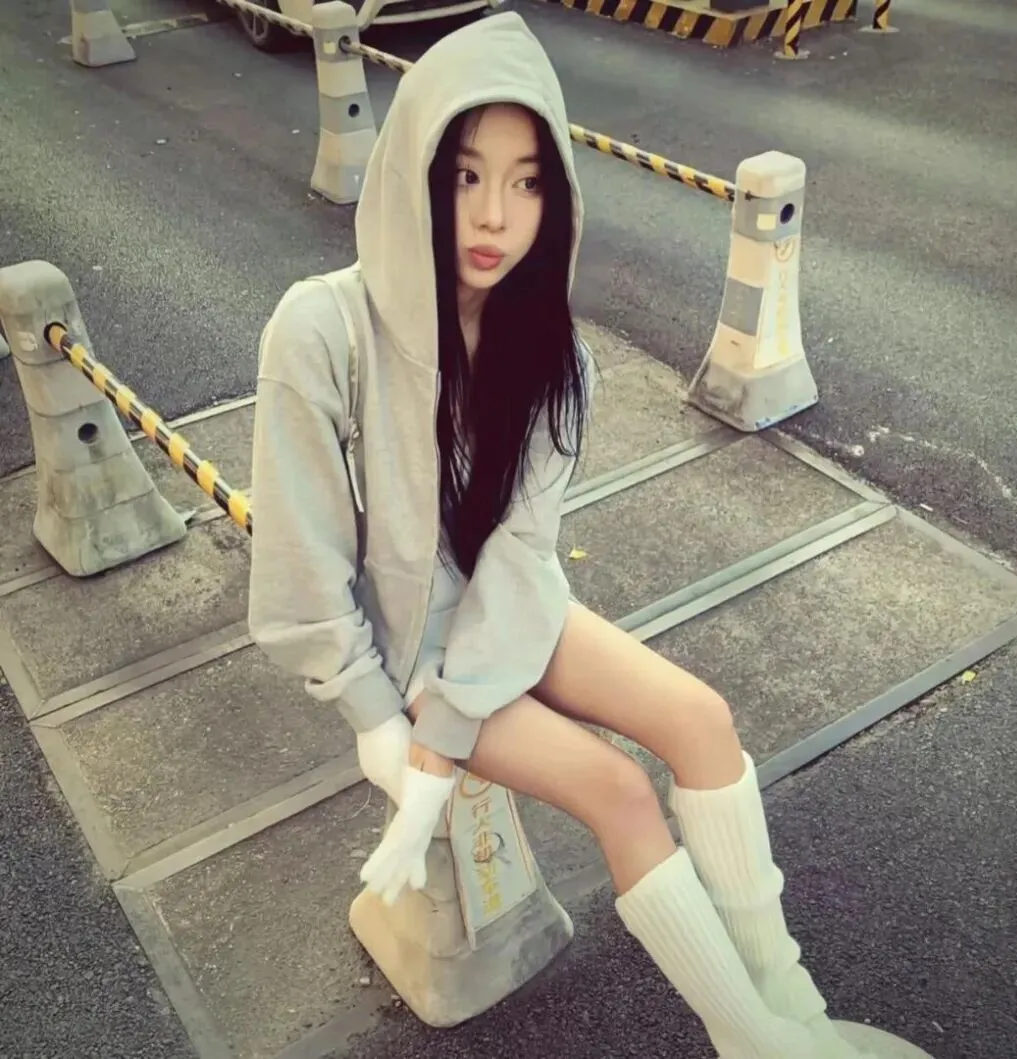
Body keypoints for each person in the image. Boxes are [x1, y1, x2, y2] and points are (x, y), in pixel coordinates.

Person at [247, 13, 891, 1059]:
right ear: (418, 169)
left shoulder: (555, 356)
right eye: (466, 175)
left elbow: (519, 553)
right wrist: (385, 717)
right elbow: (300, 563)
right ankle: (757, 1044)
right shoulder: (322, 329)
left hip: (509, 612)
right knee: (620, 792)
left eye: (528, 182)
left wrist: (458, 718)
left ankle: (795, 1013)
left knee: (702, 720)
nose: (494, 215)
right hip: (407, 649)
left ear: (558, 197)